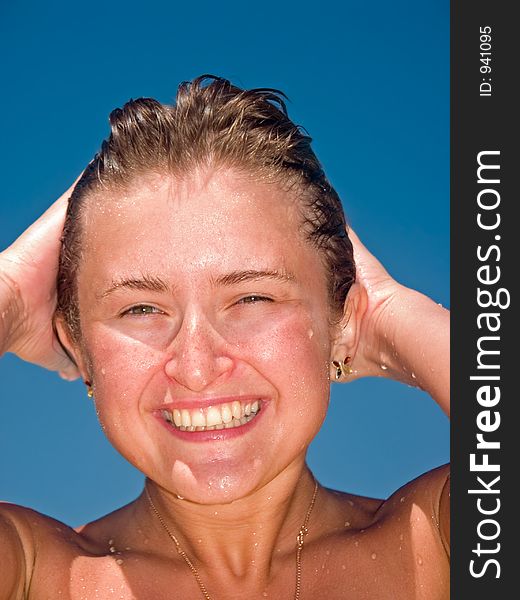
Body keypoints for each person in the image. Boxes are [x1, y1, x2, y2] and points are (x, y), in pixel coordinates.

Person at [0, 75, 449, 599]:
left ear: (342, 320)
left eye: (251, 299)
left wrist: (394, 316)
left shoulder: (434, 545)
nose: (196, 364)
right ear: (79, 349)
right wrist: (7, 293)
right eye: (141, 308)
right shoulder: (33, 572)